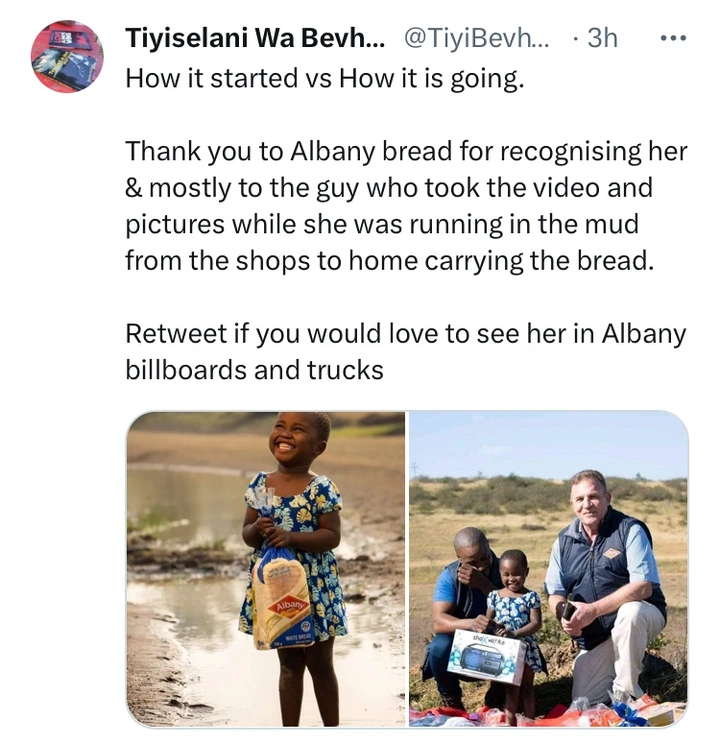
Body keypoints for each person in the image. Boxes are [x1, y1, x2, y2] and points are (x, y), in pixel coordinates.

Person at [238, 412, 348, 727]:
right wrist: (257, 528)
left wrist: (291, 537)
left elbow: (332, 537)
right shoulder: (261, 483)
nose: (285, 434)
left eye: (297, 430)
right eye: (280, 426)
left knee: (320, 665)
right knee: (288, 665)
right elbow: (247, 535)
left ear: (319, 447)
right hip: (274, 590)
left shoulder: (320, 487)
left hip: (313, 590)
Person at [545, 469, 666, 705]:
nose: (587, 504)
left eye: (593, 497)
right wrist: (565, 615)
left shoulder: (629, 529)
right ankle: (636, 662)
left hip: (644, 615)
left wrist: (593, 611)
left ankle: (627, 694)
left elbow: (643, 587)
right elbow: (554, 593)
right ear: (572, 504)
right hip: (598, 634)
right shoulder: (563, 542)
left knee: (630, 614)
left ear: (607, 498)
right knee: (584, 703)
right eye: (580, 499)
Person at [421, 527, 503, 711]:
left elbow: (518, 610)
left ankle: (500, 691)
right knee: (438, 647)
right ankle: (452, 700)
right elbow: (438, 622)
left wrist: (483, 584)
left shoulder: (506, 568)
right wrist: (471, 624)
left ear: (488, 546)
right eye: (472, 563)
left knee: (521, 639)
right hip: (464, 650)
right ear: (459, 559)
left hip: (499, 646)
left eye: (485, 558)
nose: (481, 566)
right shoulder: (449, 576)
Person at [486, 549, 547, 726]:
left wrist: (515, 634)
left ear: (526, 572)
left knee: (527, 688)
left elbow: (536, 624)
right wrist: (493, 626)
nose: (511, 578)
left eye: (517, 574)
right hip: (504, 650)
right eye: (506, 574)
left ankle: (529, 724)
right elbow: (487, 621)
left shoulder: (530, 597)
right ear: (500, 573)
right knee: (510, 691)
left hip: (526, 649)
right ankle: (510, 726)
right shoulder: (494, 596)